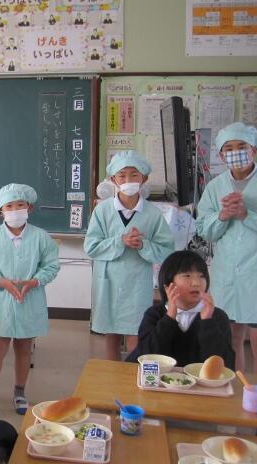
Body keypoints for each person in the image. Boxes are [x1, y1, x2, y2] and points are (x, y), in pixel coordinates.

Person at [0, 184, 59, 420]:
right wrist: (1, 281)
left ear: (29, 208)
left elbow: (51, 266)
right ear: (1, 212)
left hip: (30, 300)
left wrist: (34, 281)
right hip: (2, 302)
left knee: (24, 349)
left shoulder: (41, 237)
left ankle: (20, 393)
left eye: (20, 205)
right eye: (9, 206)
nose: (15, 210)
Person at [196, 122, 257, 390]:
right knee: (230, 342)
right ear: (221, 155)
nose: (235, 152)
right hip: (227, 275)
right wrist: (222, 216)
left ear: (254, 149)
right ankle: (235, 397)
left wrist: (247, 214)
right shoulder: (215, 187)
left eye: (242, 146)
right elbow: (204, 229)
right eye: (229, 148)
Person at [84, 151, 174, 361]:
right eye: (122, 175)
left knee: (137, 334)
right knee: (111, 335)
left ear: (144, 178)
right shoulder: (102, 211)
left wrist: (143, 244)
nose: (128, 180)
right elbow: (91, 247)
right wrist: (120, 241)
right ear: (113, 179)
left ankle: (134, 378)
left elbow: (166, 249)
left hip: (137, 283)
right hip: (109, 281)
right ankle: (114, 376)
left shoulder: (153, 214)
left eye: (134, 175)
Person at [127, 250, 235, 369]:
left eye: (201, 276)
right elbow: (145, 359)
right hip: (160, 379)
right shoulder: (154, 314)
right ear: (168, 283)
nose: (196, 283)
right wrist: (169, 318)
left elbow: (225, 365)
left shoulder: (217, 316)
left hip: (200, 380)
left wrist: (207, 323)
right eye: (187, 275)